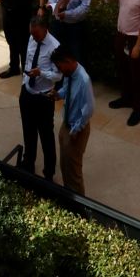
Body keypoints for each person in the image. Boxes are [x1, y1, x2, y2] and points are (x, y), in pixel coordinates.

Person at [18, 12, 61, 179]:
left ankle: (49, 173)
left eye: (36, 34)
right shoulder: (32, 38)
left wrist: (41, 73)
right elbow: (28, 61)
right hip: (28, 93)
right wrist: (24, 82)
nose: (33, 37)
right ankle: (28, 164)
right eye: (31, 34)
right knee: (28, 131)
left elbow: (59, 75)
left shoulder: (55, 47)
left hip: (44, 97)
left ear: (45, 30)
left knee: (46, 136)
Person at [53, 39, 95, 195]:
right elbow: (66, 89)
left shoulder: (83, 80)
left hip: (77, 129)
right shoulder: (69, 74)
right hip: (67, 123)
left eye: (59, 66)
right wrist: (58, 94)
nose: (59, 70)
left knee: (74, 171)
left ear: (68, 60)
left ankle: (79, 206)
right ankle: (68, 195)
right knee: (65, 165)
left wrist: (77, 129)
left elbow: (89, 108)